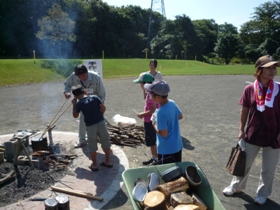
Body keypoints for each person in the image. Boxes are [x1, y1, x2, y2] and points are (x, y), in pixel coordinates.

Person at [223, 55, 280, 205]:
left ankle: (262, 194)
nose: (273, 70)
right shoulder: (250, 89)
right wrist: (241, 130)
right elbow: (244, 110)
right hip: (253, 132)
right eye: (269, 68)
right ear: (259, 70)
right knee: (243, 162)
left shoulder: (279, 89)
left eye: (274, 67)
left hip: (274, 134)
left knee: (268, 168)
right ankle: (236, 187)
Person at [64, 64, 106, 148]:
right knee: (82, 119)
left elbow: (102, 94)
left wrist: (99, 108)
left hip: (95, 102)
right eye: (79, 76)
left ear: (87, 72)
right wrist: (66, 92)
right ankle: (82, 140)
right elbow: (67, 84)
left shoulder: (96, 77)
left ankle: (100, 138)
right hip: (83, 102)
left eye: (83, 75)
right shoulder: (73, 76)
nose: (81, 78)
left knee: (99, 121)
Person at [71, 85, 112, 171]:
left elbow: (75, 115)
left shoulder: (79, 103)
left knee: (92, 144)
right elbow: (103, 108)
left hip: (90, 126)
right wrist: (100, 115)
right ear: (85, 92)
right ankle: (107, 161)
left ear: (75, 96)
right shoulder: (95, 97)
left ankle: (94, 164)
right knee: (105, 141)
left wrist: (74, 104)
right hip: (101, 123)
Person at [145, 80, 183, 164]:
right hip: (177, 145)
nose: (150, 96)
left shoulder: (161, 112)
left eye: (151, 94)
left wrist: (154, 124)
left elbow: (164, 134)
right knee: (177, 172)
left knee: (168, 173)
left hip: (167, 149)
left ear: (158, 97)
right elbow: (180, 116)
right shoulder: (172, 102)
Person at [133, 73, 160, 165]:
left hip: (150, 121)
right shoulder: (151, 92)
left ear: (145, 84)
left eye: (141, 84)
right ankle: (154, 157)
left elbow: (153, 110)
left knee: (152, 142)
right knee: (151, 141)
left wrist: (142, 114)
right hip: (152, 120)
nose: (140, 86)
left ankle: (156, 159)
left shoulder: (150, 95)